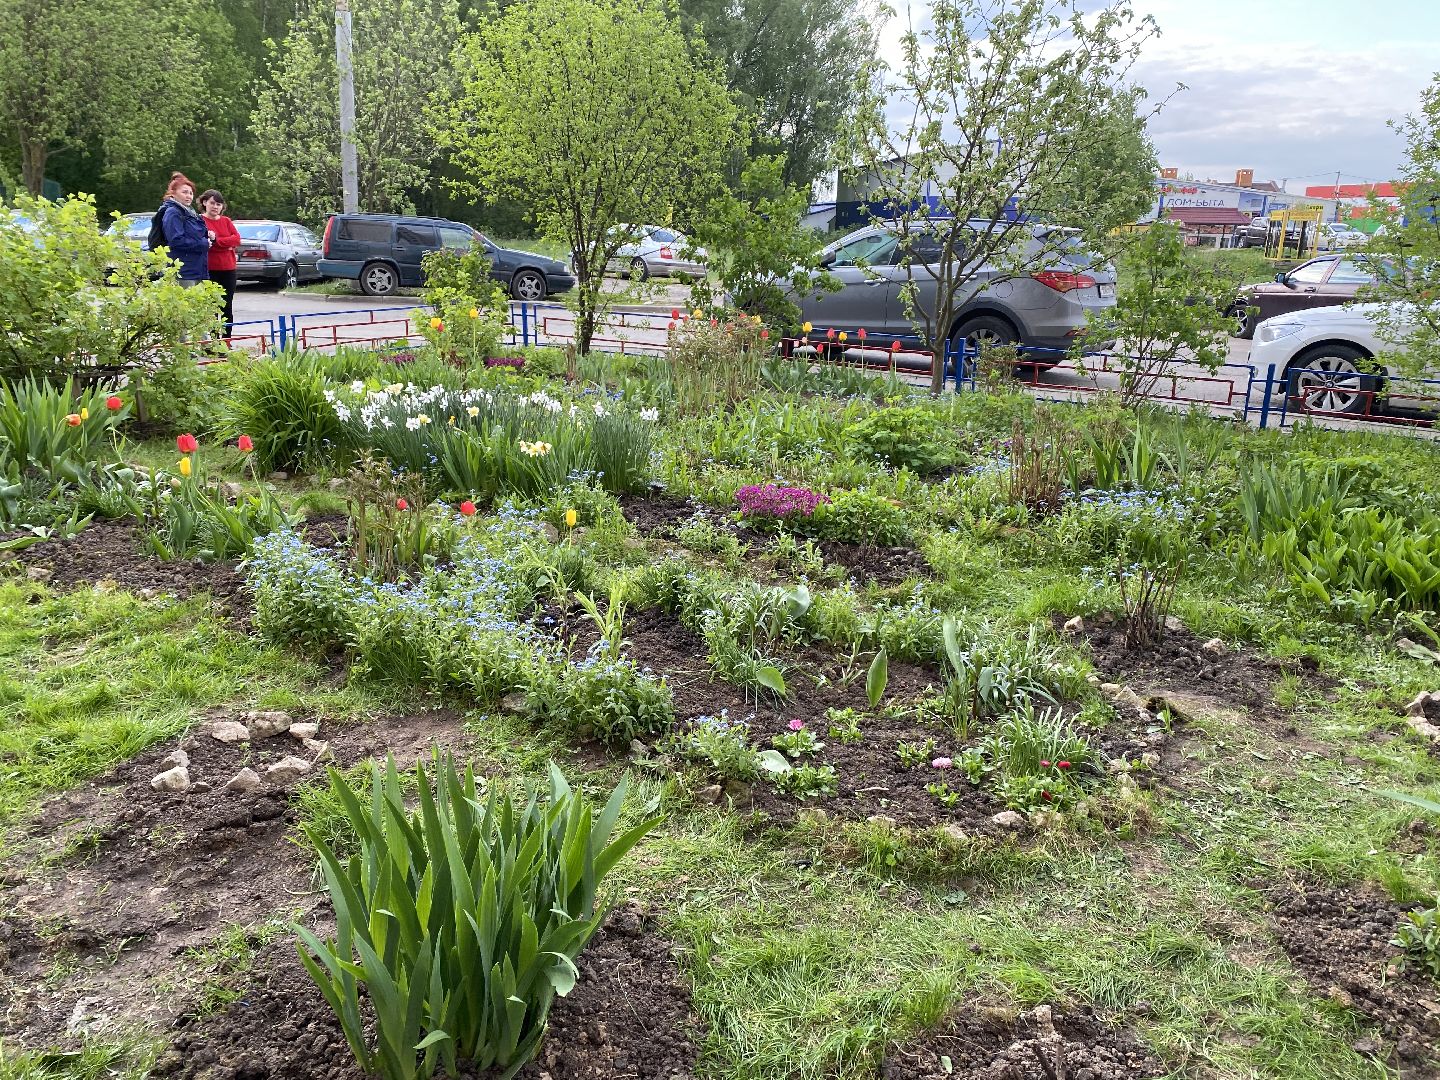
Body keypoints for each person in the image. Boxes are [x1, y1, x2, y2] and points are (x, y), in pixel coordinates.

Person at [155, 172, 210, 287]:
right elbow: (176, 240)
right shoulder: (173, 212)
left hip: (197, 269)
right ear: (173, 194)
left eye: (191, 193)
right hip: (183, 271)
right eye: (184, 192)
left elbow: (195, 235)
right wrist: (203, 243)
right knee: (185, 303)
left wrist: (209, 237)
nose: (189, 196)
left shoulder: (190, 212)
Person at [199, 189, 240, 333]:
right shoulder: (200, 221)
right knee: (211, 307)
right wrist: (225, 245)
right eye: (212, 203)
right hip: (209, 270)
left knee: (226, 306)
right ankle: (212, 343)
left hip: (228, 270)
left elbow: (236, 239)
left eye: (218, 204)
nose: (215, 207)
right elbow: (205, 244)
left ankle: (227, 341)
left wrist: (217, 241)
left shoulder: (226, 221)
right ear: (204, 203)